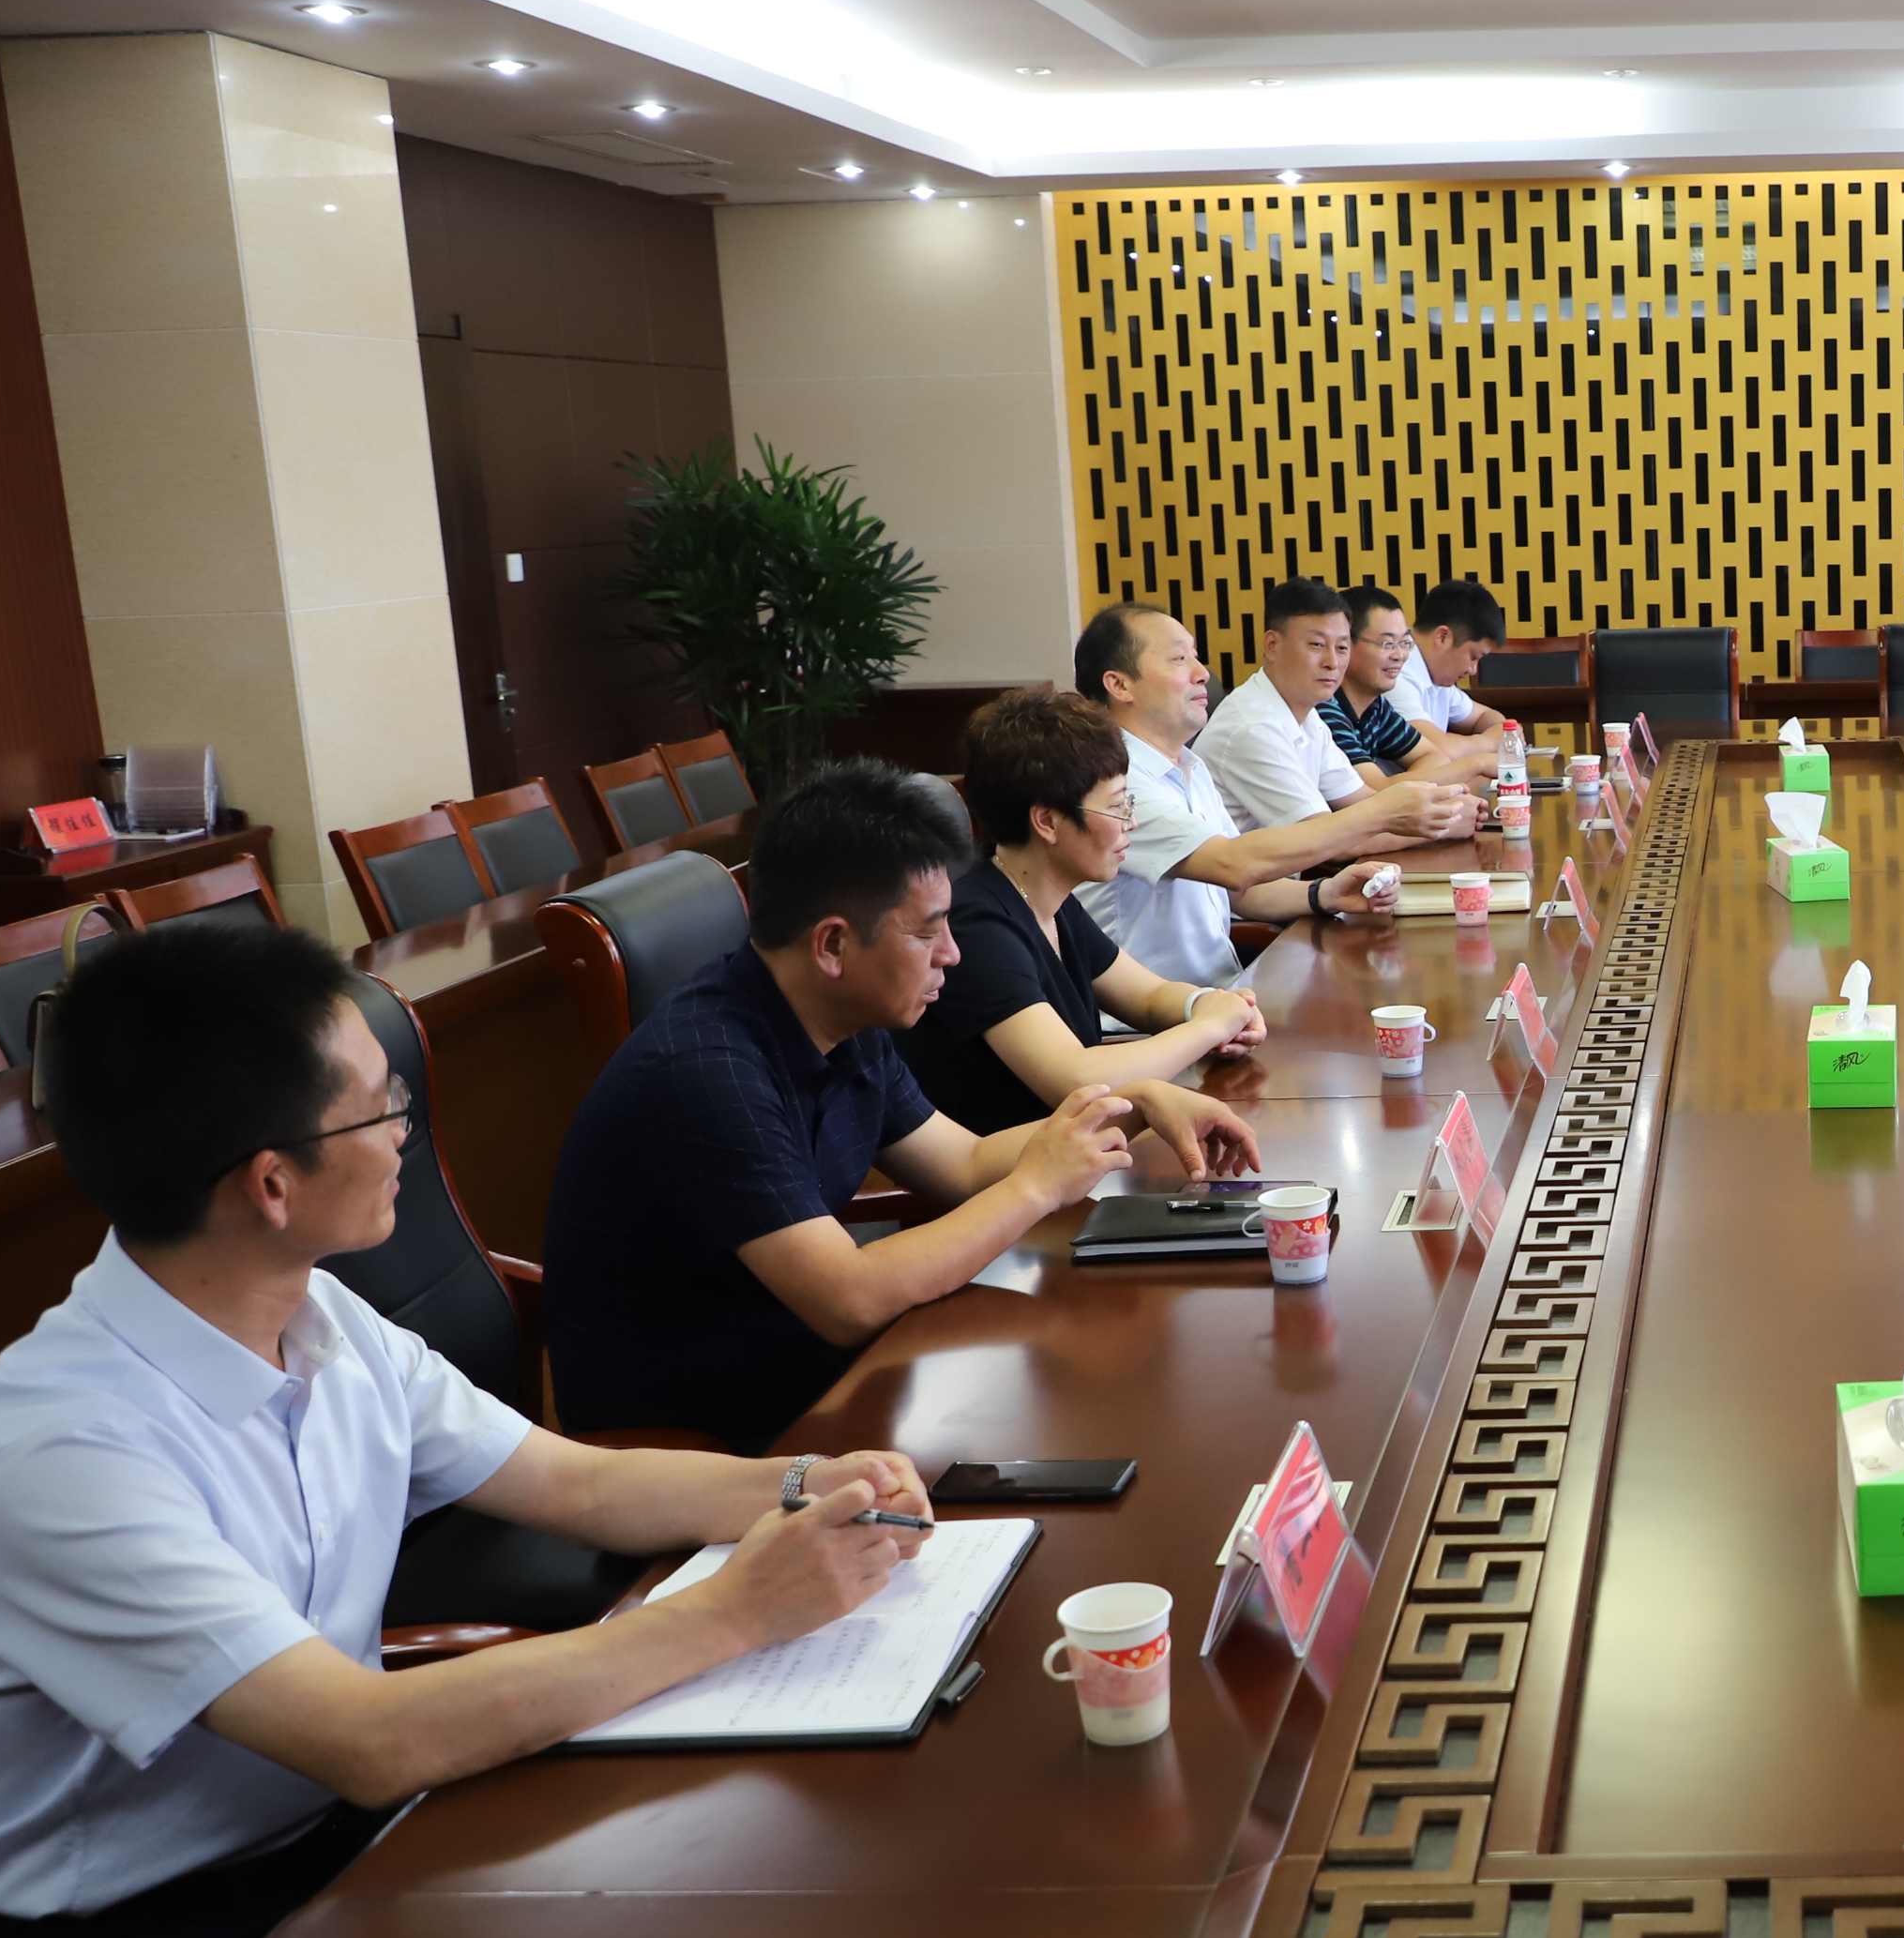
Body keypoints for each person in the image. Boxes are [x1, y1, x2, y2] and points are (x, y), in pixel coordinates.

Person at [0, 922, 935, 1938]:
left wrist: (802, 1483)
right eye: (382, 1105)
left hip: (331, 1842)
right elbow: (366, 1738)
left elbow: (576, 1481)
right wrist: (738, 1609)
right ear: (272, 1183)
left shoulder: (317, 1314)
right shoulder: (65, 1451)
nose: (407, 1127)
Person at [547, 761, 1235, 1453]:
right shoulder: (704, 1073)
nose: (952, 955)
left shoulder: (842, 1018)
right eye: (927, 933)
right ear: (834, 945)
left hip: (828, 1379)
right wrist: (1034, 1187)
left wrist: (1132, 1105)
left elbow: (965, 1162)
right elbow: (849, 1300)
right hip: (708, 1442)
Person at [898, 688, 1276, 1136]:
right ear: (1047, 822)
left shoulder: (1050, 900)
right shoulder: (975, 925)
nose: (1132, 822)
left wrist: (1209, 1004)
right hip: (1011, 1165)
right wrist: (1209, 1028)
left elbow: (1148, 997)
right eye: (1117, 806)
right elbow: (1077, 1080)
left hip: (1079, 1151)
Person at [1074, 601, 1464, 990]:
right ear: (1120, 685)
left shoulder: (1189, 765)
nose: (1202, 673)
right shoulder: (1117, 781)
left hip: (1219, 994)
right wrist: (1380, 813)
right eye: (1179, 659)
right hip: (1149, 1015)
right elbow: (1232, 865)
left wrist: (1326, 893)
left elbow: (1240, 893)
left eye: (1195, 656)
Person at [1194, 578, 1381, 829]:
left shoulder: (1307, 714)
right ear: (1272, 645)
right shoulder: (1252, 727)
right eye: (1317, 645)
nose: (1333, 662)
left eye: (1342, 647)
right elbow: (1321, 836)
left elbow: (1363, 801)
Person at [1321, 583, 1502, 784]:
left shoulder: (1377, 707)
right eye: (1387, 644)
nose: (1400, 655)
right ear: (1344, 645)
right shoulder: (1325, 711)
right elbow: (1376, 790)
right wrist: (1477, 764)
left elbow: (1435, 756)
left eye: (1404, 643)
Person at [1398, 578, 1515, 745]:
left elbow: (1483, 716)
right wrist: (1489, 741)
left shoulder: (1437, 674)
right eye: (1473, 657)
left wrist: (1502, 731)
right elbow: (1434, 748)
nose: (1473, 670)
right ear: (1442, 637)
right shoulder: (1397, 670)